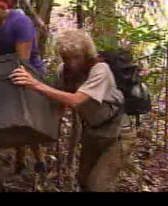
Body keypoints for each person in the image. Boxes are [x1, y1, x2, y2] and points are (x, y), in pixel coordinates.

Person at [9, 29, 129, 192]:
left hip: (118, 134)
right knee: (84, 181)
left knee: (98, 186)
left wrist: (35, 84)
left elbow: (76, 100)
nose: (71, 63)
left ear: (86, 54)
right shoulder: (64, 71)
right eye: (66, 58)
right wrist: (48, 130)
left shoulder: (100, 70)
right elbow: (59, 103)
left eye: (76, 57)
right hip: (92, 132)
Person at [0, 0, 47, 174]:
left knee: (27, 119)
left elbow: (23, 61)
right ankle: (21, 162)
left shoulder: (19, 22)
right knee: (17, 121)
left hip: (29, 73)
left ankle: (38, 160)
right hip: (6, 71)